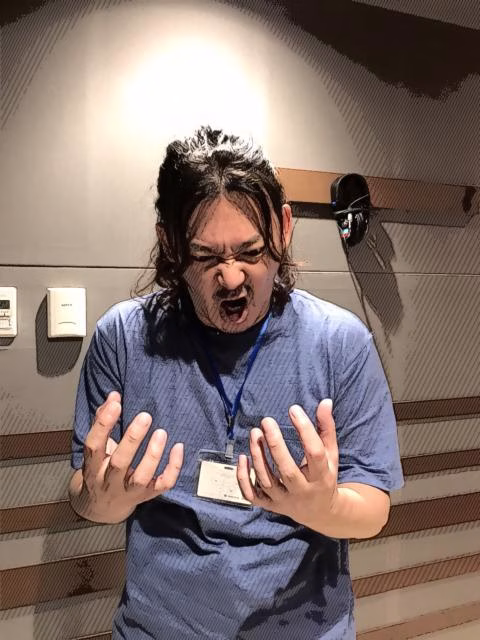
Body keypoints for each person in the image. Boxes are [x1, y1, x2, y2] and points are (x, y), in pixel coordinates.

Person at [69, 125, 404, 639]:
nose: (231, 278)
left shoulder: (341, 343)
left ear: (284, 228)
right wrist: (102, 502)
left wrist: (326, 507)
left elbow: (373, 508)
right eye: (206, 256)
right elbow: (84, 490)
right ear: (170, 243)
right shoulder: (124, 338)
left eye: (250, 252)